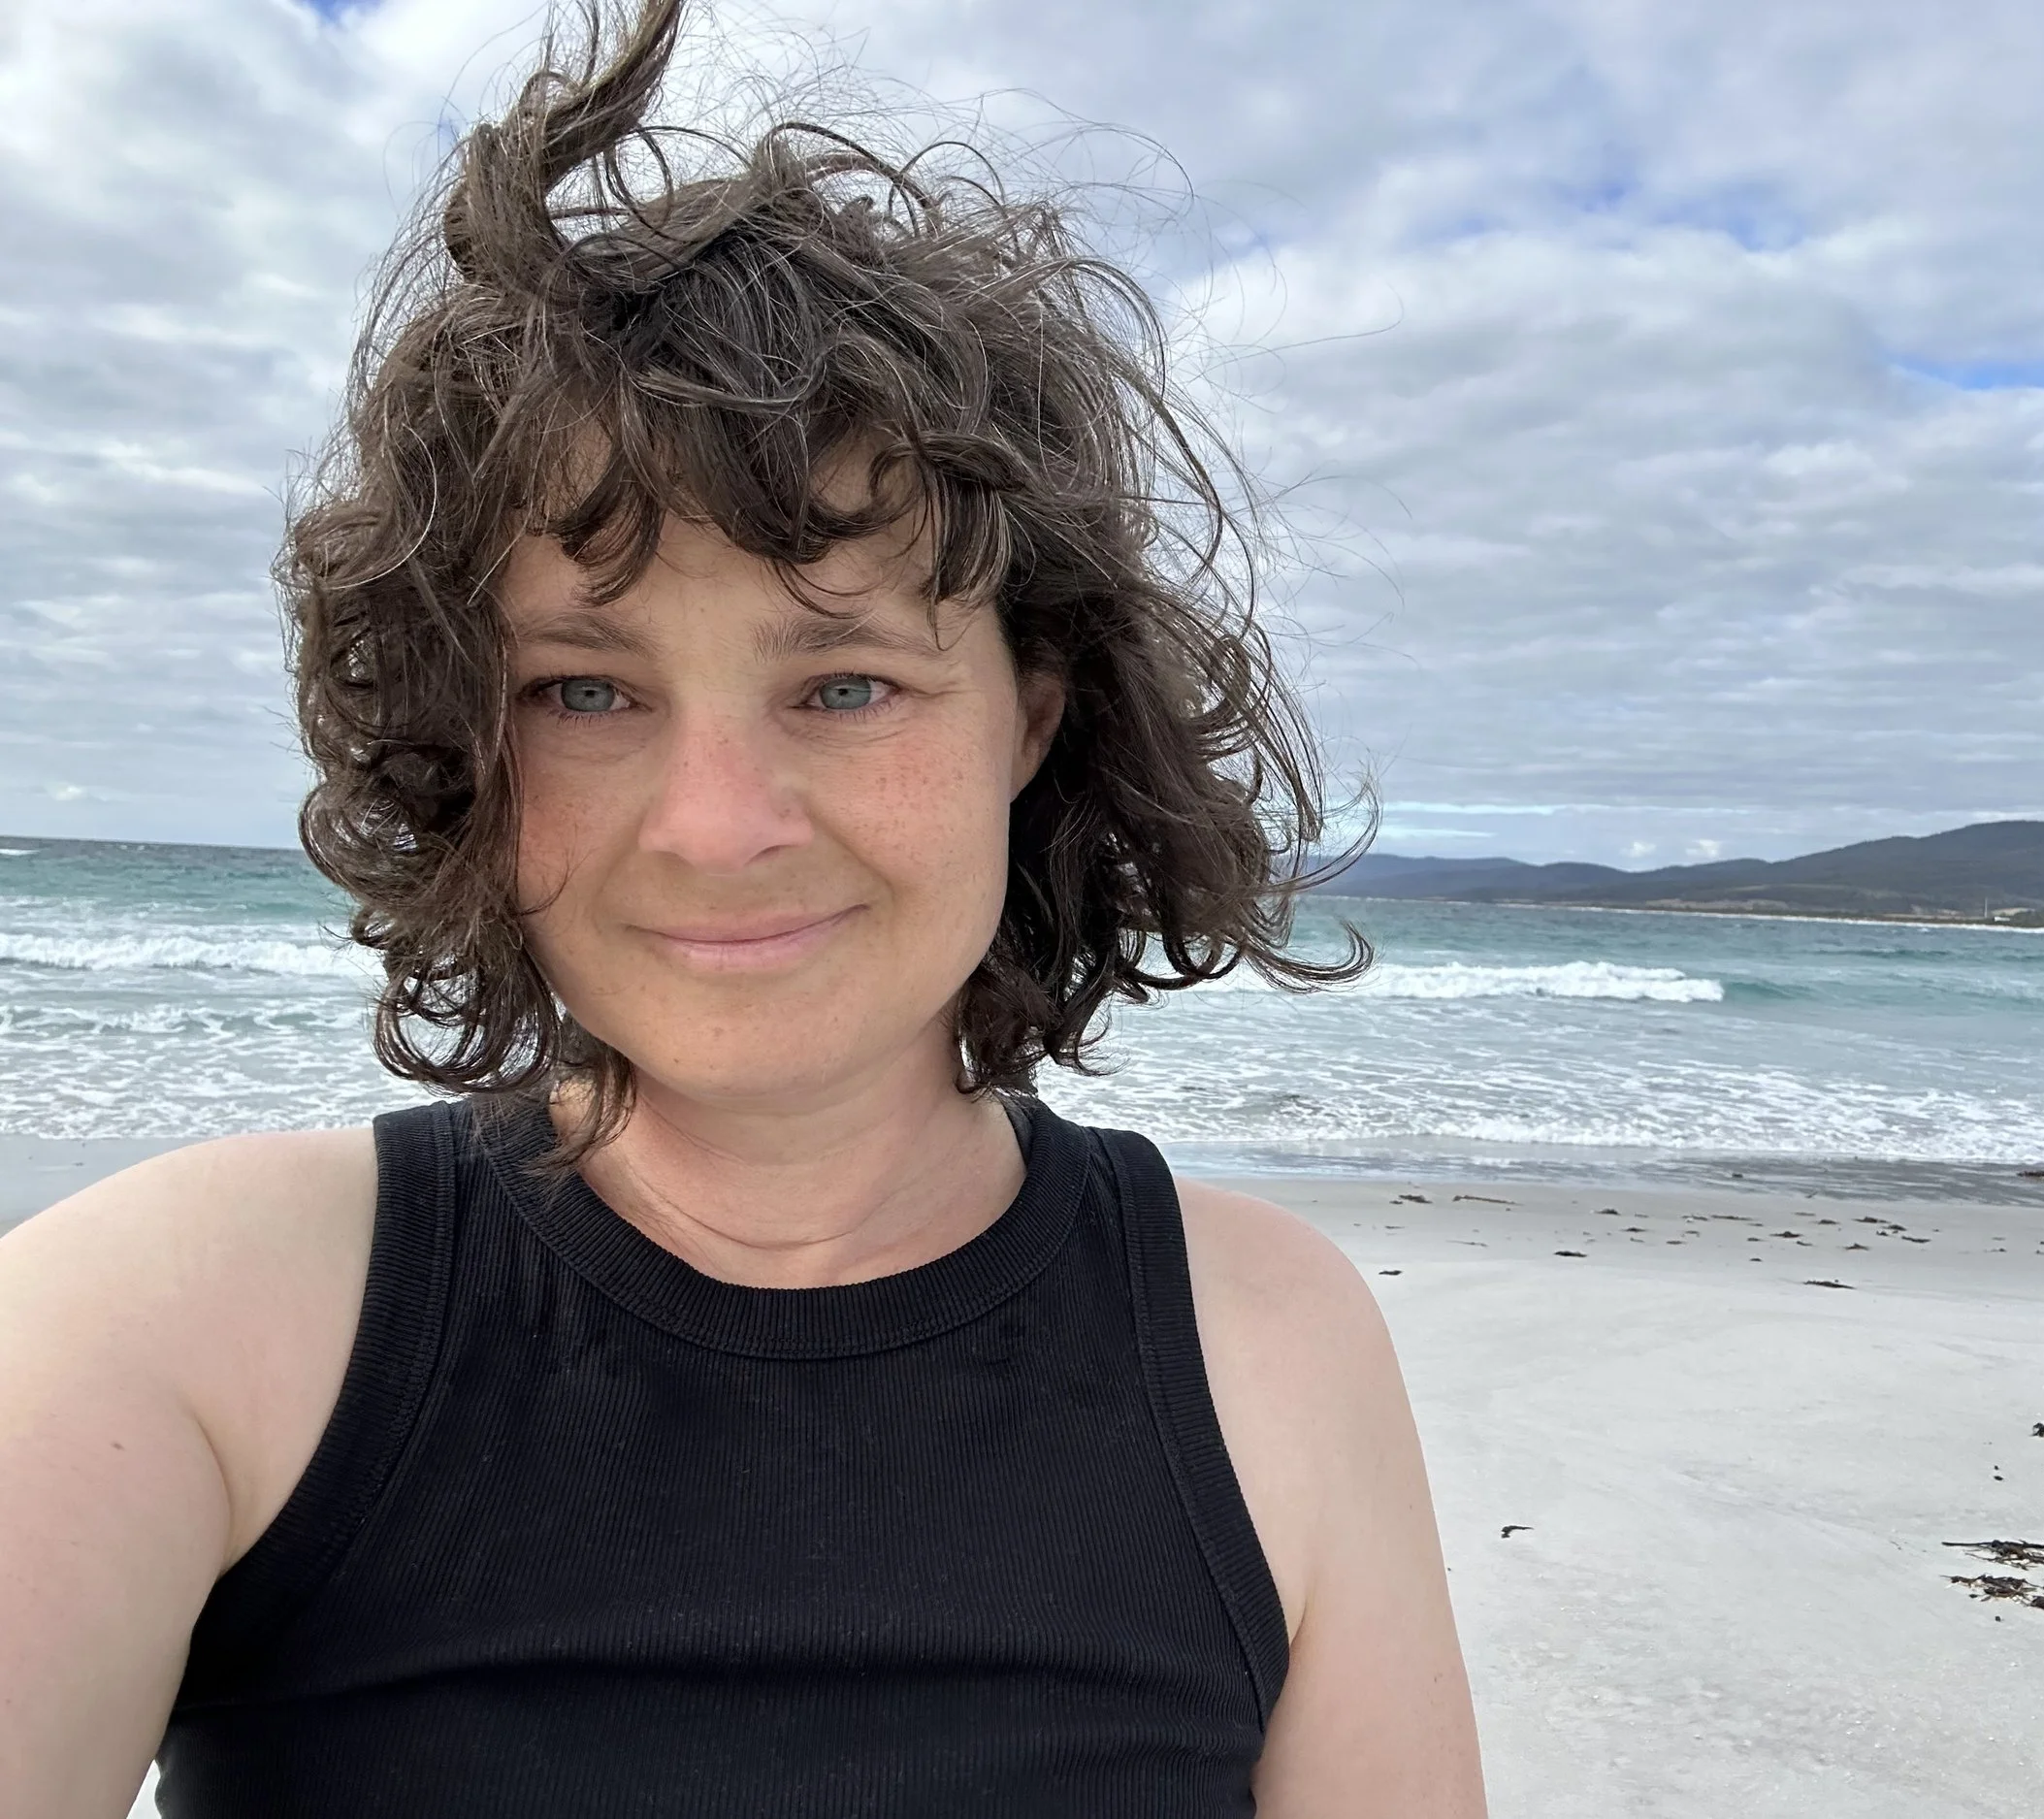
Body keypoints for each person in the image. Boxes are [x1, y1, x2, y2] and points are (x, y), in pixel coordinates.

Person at [0, 2, 1488, 1814]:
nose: (717, 828)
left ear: (1033, 714)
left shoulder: (1271, 1346)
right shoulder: (183, 1317)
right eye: (586, 689)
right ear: (465, 735)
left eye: (845, 682)